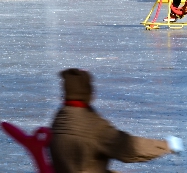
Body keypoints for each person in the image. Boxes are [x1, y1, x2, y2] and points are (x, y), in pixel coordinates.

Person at [48, 68, 179, 173]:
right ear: (87, 92)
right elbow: (130, 148)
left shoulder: (59, 120)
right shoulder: (91, 126)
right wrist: (167, 145)